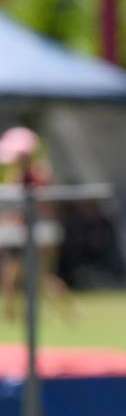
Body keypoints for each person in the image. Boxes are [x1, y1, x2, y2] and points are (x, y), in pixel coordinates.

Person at [0, 126, 71, 320]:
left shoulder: (37, 174)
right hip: (22, 232)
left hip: (34, 232)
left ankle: (65, 312)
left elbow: (41, 204)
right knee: (14, 277)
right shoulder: (22, 174)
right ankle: (11, 315)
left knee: (38, 277)